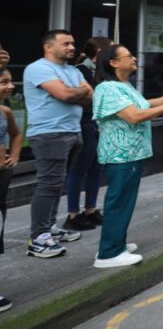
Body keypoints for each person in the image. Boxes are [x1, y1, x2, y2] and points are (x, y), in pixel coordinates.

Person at [92, 44, 163, 268]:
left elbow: (144, 104)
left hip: (131, 154)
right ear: (113, 62)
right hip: (120, 155)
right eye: (128, 56)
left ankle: (117, 243)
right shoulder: (107, 88)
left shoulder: (123, 85)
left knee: (125, 200)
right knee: (118, 201)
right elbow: (134, 116)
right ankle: (108, 253)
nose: (134, 59)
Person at [24, 30, 92, 258]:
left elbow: (88, 95)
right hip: (49, 133)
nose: (72, 47)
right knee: (48, 184)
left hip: (73, 131)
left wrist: (75, 92)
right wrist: (75, 92)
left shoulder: (72, 70)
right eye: (66, 44)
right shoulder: (38, 68)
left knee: (58, 182)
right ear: (48, 47)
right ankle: (39, 237)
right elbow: (64, 94)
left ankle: (50, 226)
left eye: (73, 43)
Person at [64, 36, 111, 232]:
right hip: (84, 121)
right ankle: (73, 213)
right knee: (79, 168)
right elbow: (87, 97)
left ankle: (90, 209)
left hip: (98, 122)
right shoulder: (80, 71)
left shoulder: (102, 72)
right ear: (99, 51)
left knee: (95, 168)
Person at [0, 65, 24, 311]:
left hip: (2, 176)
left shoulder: (5, 111)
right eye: (3, 82)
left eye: (10, 81)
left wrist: (14, 155)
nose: (10, 86)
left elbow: (16, 135)